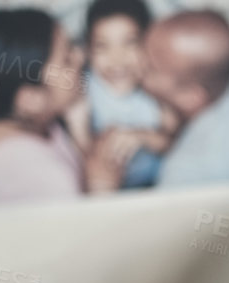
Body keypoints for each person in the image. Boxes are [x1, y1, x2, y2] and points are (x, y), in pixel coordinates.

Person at [0, 8, 126, 205]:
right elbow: (82, 233)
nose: (81, 55)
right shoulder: (44, 182)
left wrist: (79, 130)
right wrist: (101, 192)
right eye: (67, 59)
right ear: (31, 100)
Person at [141, 8, 229, 187]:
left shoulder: (188, 174)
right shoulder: (227, 68)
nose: (137, 65)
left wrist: (101, 184)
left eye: (151, 68)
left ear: (191, 98)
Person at [65, 0, 179, 189]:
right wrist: (81, 131)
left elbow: (176, 144)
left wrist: (143, 136)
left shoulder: (157, 87)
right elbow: (81, 165)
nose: (117, 59)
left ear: (148, 43)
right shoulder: (83, 91)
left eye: (130, 43)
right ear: (88, 51)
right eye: (102, 46)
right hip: (107, 192)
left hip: (156, 186)